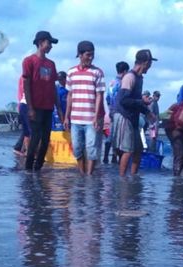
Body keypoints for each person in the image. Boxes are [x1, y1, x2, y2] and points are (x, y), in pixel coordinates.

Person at [22, 30, 64, 171]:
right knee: (35, 137)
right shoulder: (29, 61)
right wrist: (30, 108)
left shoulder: (51, 64)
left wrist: (58, 108)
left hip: (48, 107)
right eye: (49, 43)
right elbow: (26, 85)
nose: (51, 46)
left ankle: (38, 167)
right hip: (35, 105)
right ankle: (28, 168)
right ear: (40, 43)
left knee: (46, 138)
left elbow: (53, 86)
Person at [63, 40, 106, 175]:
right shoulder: (71, 72)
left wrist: (96, 116)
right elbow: (70, 95)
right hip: (75, 119)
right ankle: (82, 173)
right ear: (80, 55)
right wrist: (66, 117)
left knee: (91, 148)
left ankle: (89, 175)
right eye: (88, 55)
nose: (90, 58)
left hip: (90, 119)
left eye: (92, 55)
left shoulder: (97, 72)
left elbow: (99, 95)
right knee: (77, 148)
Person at [113, 49, 157, 176]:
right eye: (150, 64)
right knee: (127, 150)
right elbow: (123, 100)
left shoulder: (140, 78)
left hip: (134, 117)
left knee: (138, 150)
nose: (150, 67)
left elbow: (137, 101)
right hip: (124, 116)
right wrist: (141, 101)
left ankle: (133, 179)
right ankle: (122, 180)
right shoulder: (130, 77)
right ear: (145, 63)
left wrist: (147, 112)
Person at [104, 61, 129, 164]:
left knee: (111, 135)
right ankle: (115, 158)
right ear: (125, 71)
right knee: (119, 136)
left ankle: (105, 156)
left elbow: (108, 99)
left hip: (111, 111)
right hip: (120, 112)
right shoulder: (123, 83)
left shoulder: (111, 82)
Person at [13, 76, 30, 155]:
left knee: (26, 130)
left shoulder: (23, 77)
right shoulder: (25, 77)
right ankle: (23, 149)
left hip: (23, 104)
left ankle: (21, 148)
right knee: (28, 130)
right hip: (26, 104)